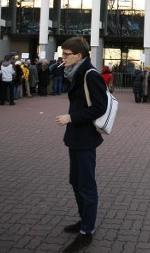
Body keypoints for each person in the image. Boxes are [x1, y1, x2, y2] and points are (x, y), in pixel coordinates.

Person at [54, 37, 107, 252]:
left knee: (86, 183)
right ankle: (83, 220)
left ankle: (87, 229)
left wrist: (71, 118)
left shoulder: (90, 75)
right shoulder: (76, 72)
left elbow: (99, 107)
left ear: (79, 56)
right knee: (75, 181)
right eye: (62, 53)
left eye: (66, 54)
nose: (62, 57)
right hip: (76, 137)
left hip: (85, 137)